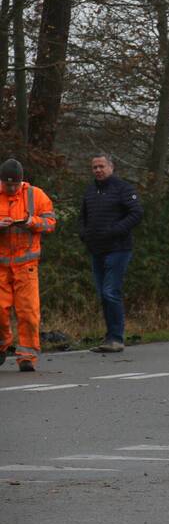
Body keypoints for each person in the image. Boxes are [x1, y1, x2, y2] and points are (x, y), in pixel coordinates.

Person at [79, 154, 142, 353]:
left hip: (118, 248)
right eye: (95, 167)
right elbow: (83, 216)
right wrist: (84, 234)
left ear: (111, 167)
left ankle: (116, 338)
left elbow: (136, 213)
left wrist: (115, 230)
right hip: (96, 249)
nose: (98, 170)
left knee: (110, 292)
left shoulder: (123, 188)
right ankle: (109, 337)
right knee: (103, 294)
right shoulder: (90, 190)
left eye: (101, 166)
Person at [0, 158, 57, 372]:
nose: (10, 188)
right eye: (6, 184)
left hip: (26, 265)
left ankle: (27, 356)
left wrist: (31, 222)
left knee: (28, 313)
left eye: (14, 184)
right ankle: (2, 344)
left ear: (21, 181)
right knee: (0, 310)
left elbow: (50, 223)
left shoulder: (36, 195)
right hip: (1, 266)